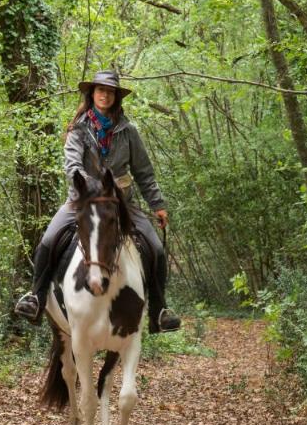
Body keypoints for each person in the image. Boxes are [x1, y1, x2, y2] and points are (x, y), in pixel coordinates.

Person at [14, 70, 182, 333]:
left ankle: (159, 310)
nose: (105, 95)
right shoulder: (78, 129)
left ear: (116, 97)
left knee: (156, 249)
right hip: (81, 202)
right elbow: (72, 166)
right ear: (92, 94)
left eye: (110, 91)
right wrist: (95, 189)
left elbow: (143, 172)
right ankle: (36, 297)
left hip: (122, 204)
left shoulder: (129, 131)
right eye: (100, 90)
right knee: (48, 241)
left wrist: (157, 205)